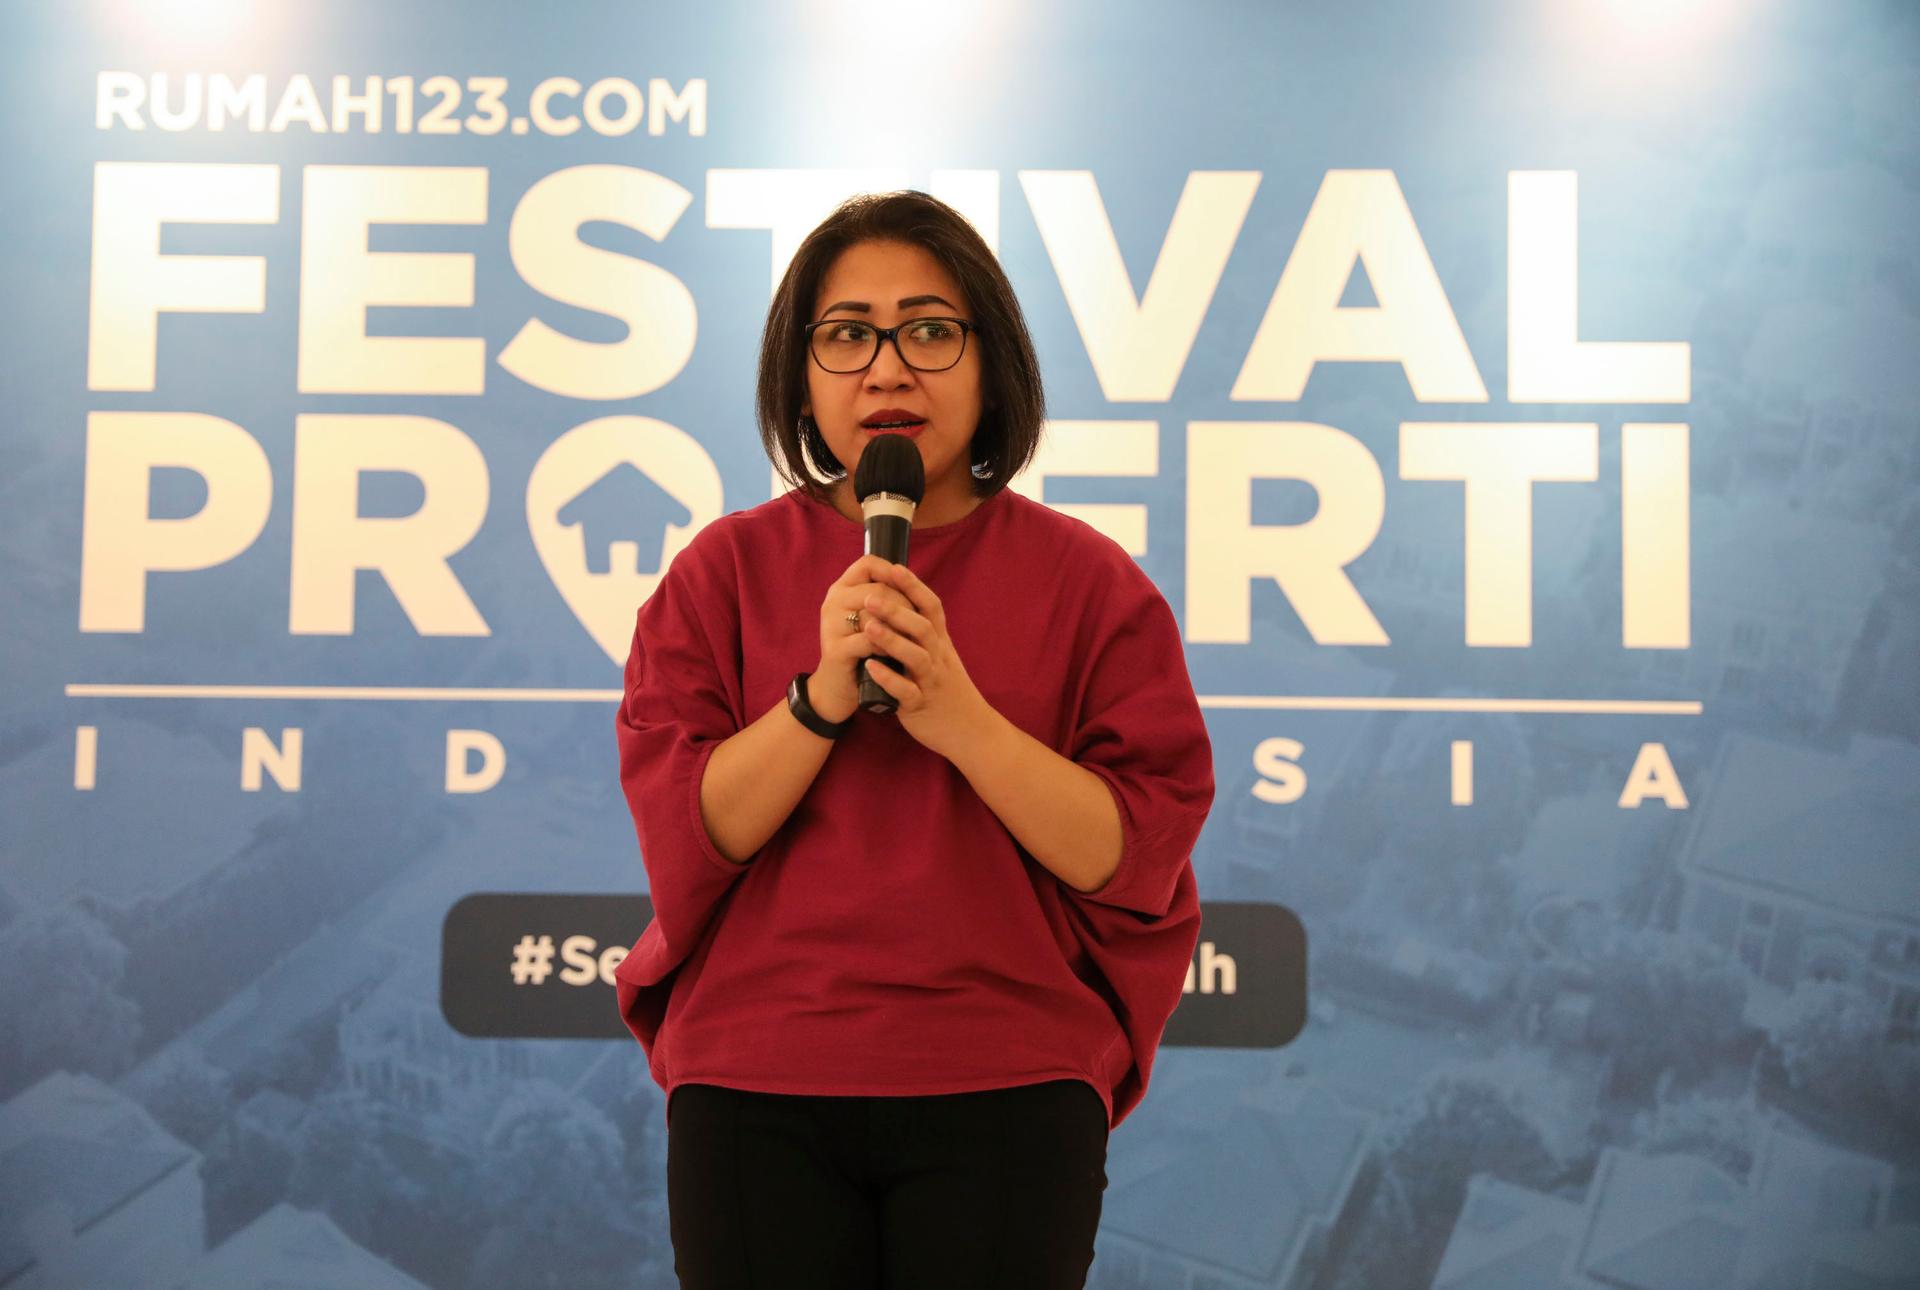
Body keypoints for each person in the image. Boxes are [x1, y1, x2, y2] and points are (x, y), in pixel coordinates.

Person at [613, 190, 1214, 1289]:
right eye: (847, 335)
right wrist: (816, 701)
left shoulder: (1091, 584)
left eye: (930, 330)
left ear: (993, 363)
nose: (887, 370)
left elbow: (1134, 856)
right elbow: (688, 835)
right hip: (756, 1074)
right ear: (800, 374)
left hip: (1009, 1079)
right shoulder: (723, 573)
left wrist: (962, 721)